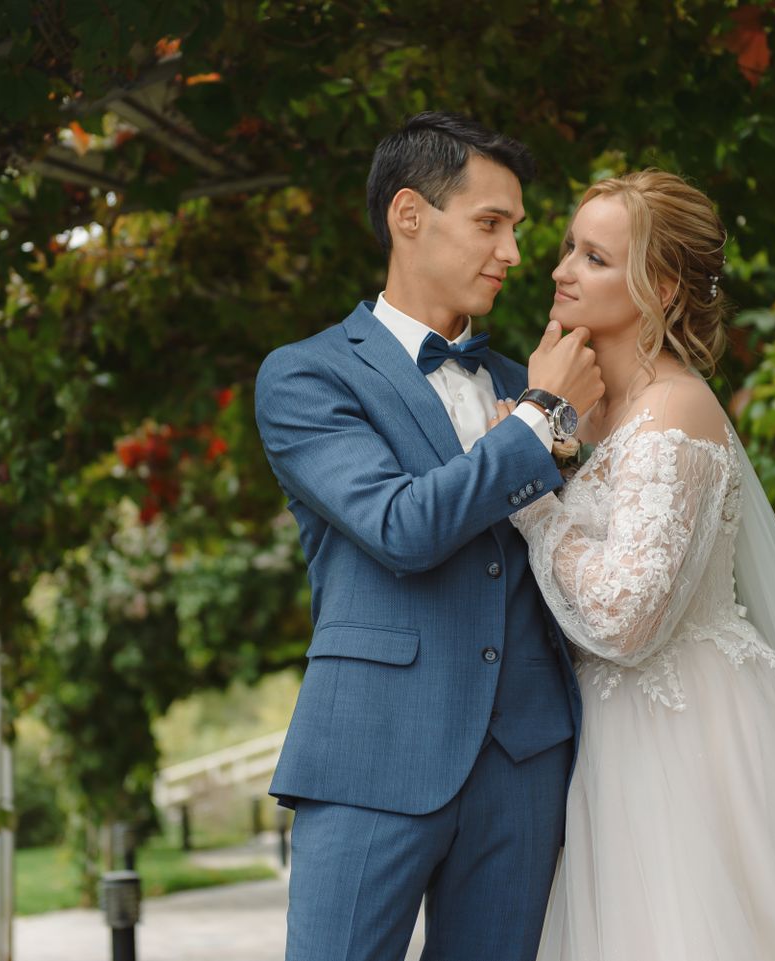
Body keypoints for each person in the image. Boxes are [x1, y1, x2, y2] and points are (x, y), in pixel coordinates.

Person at [488, 170, 775, 960]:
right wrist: (553, 440)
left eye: (594, 257)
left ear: (661, 288)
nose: (560, 270)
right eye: (569, 247)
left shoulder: (674, 407)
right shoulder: (595, 410)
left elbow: (625, 618)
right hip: (617, 738)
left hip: (689, 740)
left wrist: (531, 498)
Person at [253, 112, 605, 961]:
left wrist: (548, 417)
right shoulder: (306, 375)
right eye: (491, 223)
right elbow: (400, 526)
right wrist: (540, 418)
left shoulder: (528, 379)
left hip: (524, 757)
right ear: (409, 215)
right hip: (371, 749)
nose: (514, 252)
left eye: (517, 228)